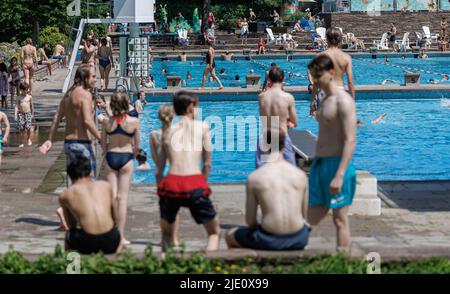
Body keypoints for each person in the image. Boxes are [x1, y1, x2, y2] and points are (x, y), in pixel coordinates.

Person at [156, 91, 220, 252]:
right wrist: (202, 184)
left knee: (166, 236)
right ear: (190, 107)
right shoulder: (203, 127)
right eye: (196, 105)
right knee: (213, 233)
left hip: (171, 183)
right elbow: (207, 165)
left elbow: (159, 169)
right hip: (195, 183)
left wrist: (161, 191)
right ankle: (206, 268)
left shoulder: (167, 131)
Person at [226, 129, 310, 250]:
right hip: (299, 237)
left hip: (269, 238)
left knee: (230, 235)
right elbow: (304, 217)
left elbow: (250, 221)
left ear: (264, 145)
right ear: (285, 144)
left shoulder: (255, 177)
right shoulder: (301, 176)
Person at [307, 55, 357, 251]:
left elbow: (350, 140)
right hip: (319, 164)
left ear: (331, 72)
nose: (316, 80)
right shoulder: (324, 99)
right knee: (310, 219)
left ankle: (344, 264)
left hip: (337, 165)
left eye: (319, 75)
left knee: (339, 220)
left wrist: (340, 174)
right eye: (313, 76)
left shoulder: (343, 101)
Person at [40, 64, 101, 183]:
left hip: (69, 144)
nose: (95, 79)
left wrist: (50, 140)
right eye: (93, 76)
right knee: (89, 185)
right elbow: (88, 121)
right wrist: (101, 138)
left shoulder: (68, 94)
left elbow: (56, 117)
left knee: (73, 184)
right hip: (83, 144)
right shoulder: (85, 94)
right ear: (85, 78)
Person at [59, 153, 122, 254]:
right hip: (112, 240)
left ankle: (73, 269)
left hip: (88, 242)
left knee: (69, 235)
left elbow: (71, 225)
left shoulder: (66, 194)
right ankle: (119, 263)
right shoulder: (105, 186)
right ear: (90, 172)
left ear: (70, 176)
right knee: (116, 231)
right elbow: (116, 218)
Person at [101, 91, 141, 245]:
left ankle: (110, 231)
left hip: (111, 157)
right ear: (126, 104)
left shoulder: (106, 122)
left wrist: (107, 152)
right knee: (122, 198)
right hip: (126, 158)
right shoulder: (134, 122)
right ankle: (121, 236)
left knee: (112, 197)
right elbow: (137, 146)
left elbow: (103, 144)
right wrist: (133, 156)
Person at [256, 66, 297, 168]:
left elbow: (263, 117)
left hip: (266, 136)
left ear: (269, 79)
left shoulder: (261, 97)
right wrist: (288, 123)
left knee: (263, 172)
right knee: (289, 171)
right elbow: (295, 122)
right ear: (283, 79)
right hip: (281, 138)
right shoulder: (288, 98)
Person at [310, 27, 355, 116]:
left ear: (326, 39)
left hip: (325, 93)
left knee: (326, 127)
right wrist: (352, 101)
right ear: (340, 40)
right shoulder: (346, 57)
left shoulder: (319, 56)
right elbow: (350, 82)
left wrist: (312, 101)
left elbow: (316, 82)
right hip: (340, 92)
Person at [150, 105, 174, 183]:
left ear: (159, 117)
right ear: (172, 116)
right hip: (175, 169)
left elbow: (154, 156)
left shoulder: (154, 134)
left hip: (161, 169)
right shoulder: (178, 133)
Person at [14, 81, 34, 148]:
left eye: (27, 90)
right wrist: (15, 114)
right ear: (21, 90)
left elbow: (31, 106)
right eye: (24, 90)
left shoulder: (29, 97)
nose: (26, 91)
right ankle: (22, 141)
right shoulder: (18, 97)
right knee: (21, 128)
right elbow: (16, 106)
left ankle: (28, 139)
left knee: (28, 127)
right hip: (21, 114)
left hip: (28, 113)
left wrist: (33, 114)